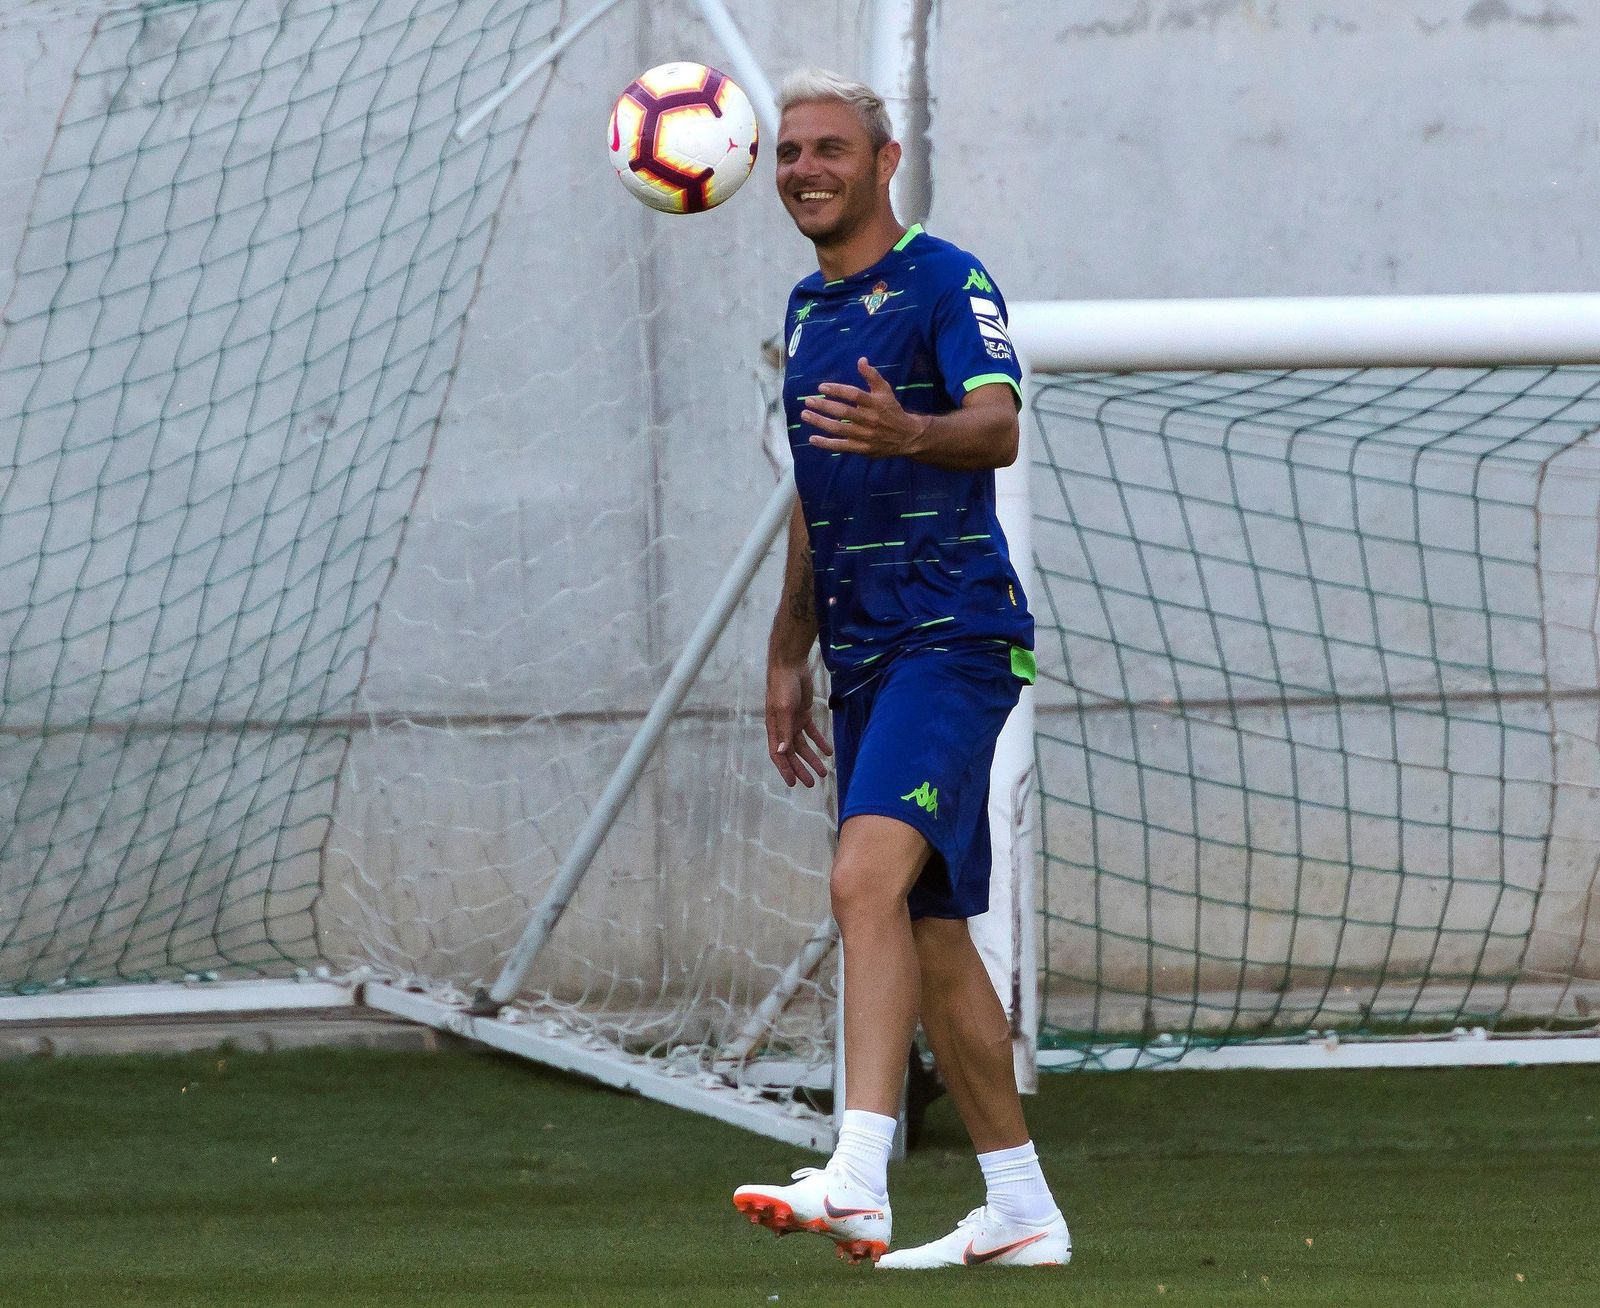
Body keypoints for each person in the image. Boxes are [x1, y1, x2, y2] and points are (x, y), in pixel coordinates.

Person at [730, 68, 1070, 1271]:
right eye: (787, 153)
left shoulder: (944, 278)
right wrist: (787, 651)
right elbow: (816, 500)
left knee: (860, 882)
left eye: (828, 148)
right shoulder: (809, 310)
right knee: (926, 932)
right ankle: (1021, 1209)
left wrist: (913, 430)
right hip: (866, 658)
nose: (802, 169)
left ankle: (859, 1176)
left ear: (883, 163)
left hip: (954, 637)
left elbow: (997, 423)